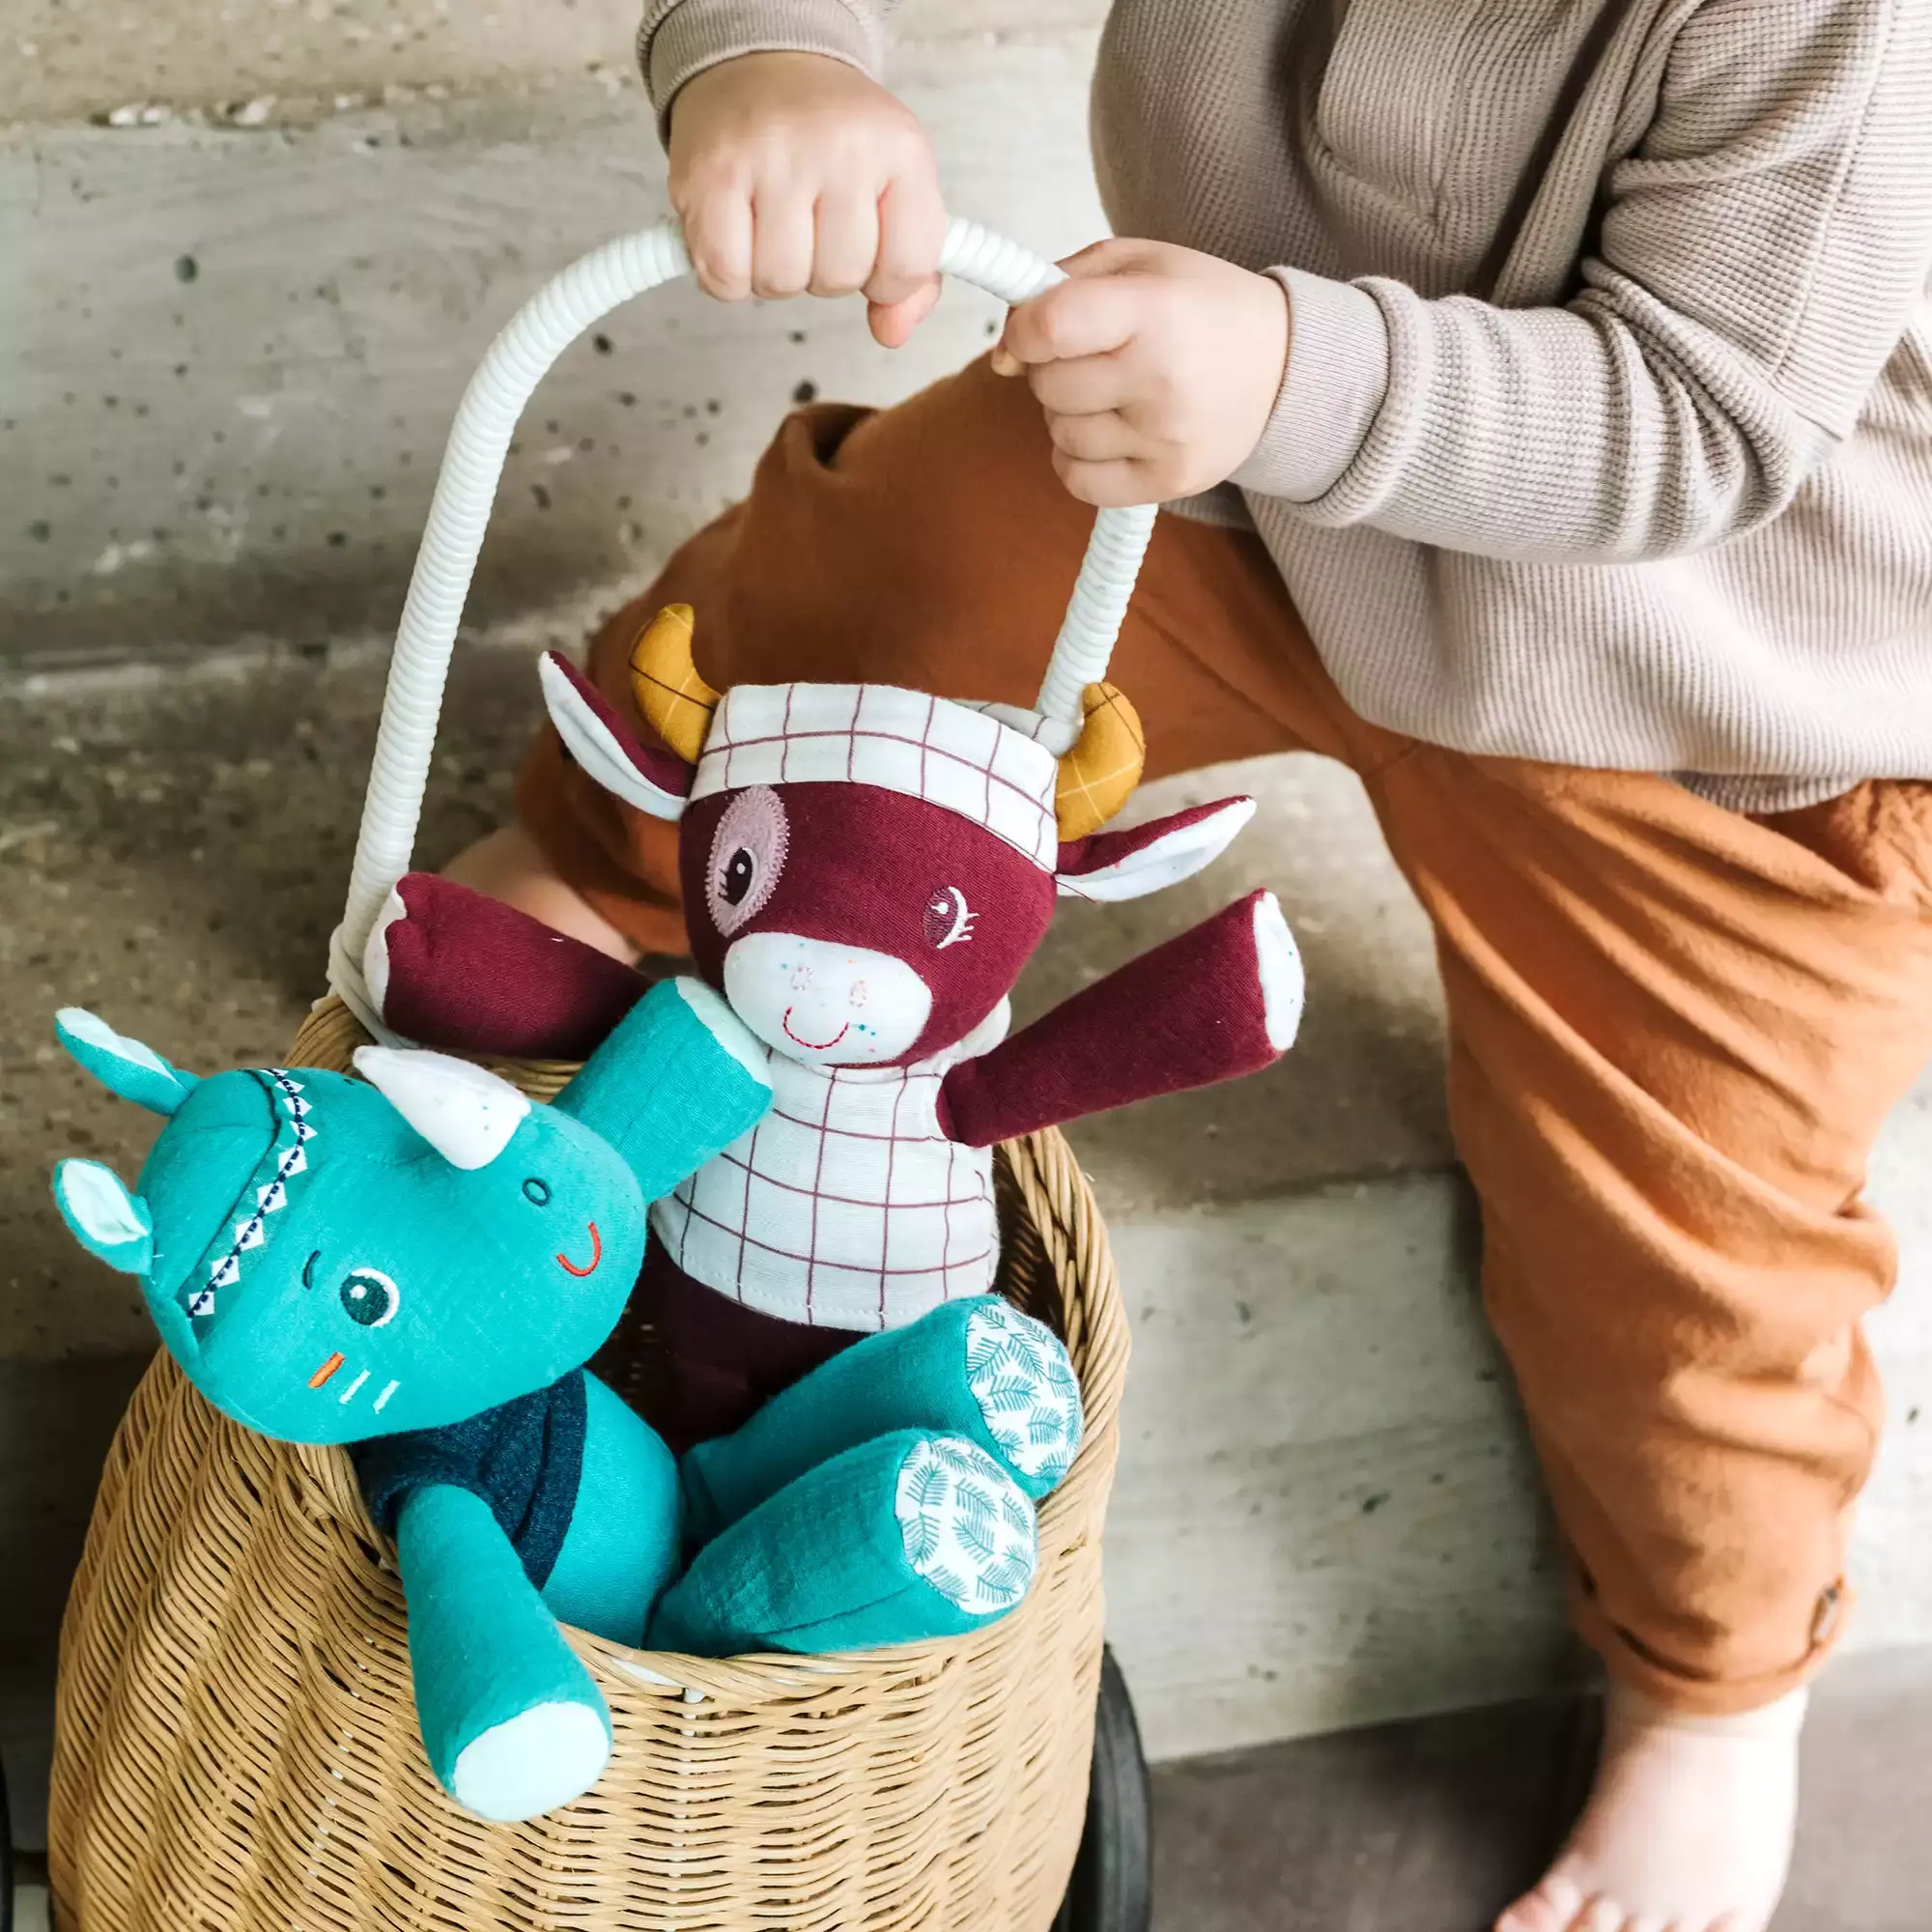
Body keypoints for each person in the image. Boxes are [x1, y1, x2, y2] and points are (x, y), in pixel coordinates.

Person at [448, 6, 1932, 1928]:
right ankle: (624, 853)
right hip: (1237, 493)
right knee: (872, 583)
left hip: (1708, 684)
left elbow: (1701, 409)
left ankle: (1713, 1679)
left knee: (1692, 1244)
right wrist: (767, 50)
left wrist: (1296, 368)